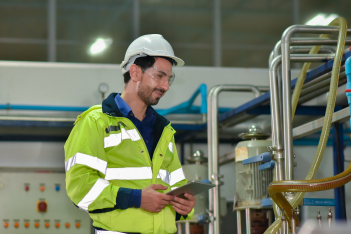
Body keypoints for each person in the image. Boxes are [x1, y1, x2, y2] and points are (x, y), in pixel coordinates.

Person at [64, 34, 196, 234]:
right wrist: (136, 198)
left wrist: (185, 207)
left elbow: (176, 185)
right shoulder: (95, 122)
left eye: (169, 78)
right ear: (135, 72)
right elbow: (80, 187)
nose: (165, 86)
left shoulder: (164, 130)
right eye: (159, 75)